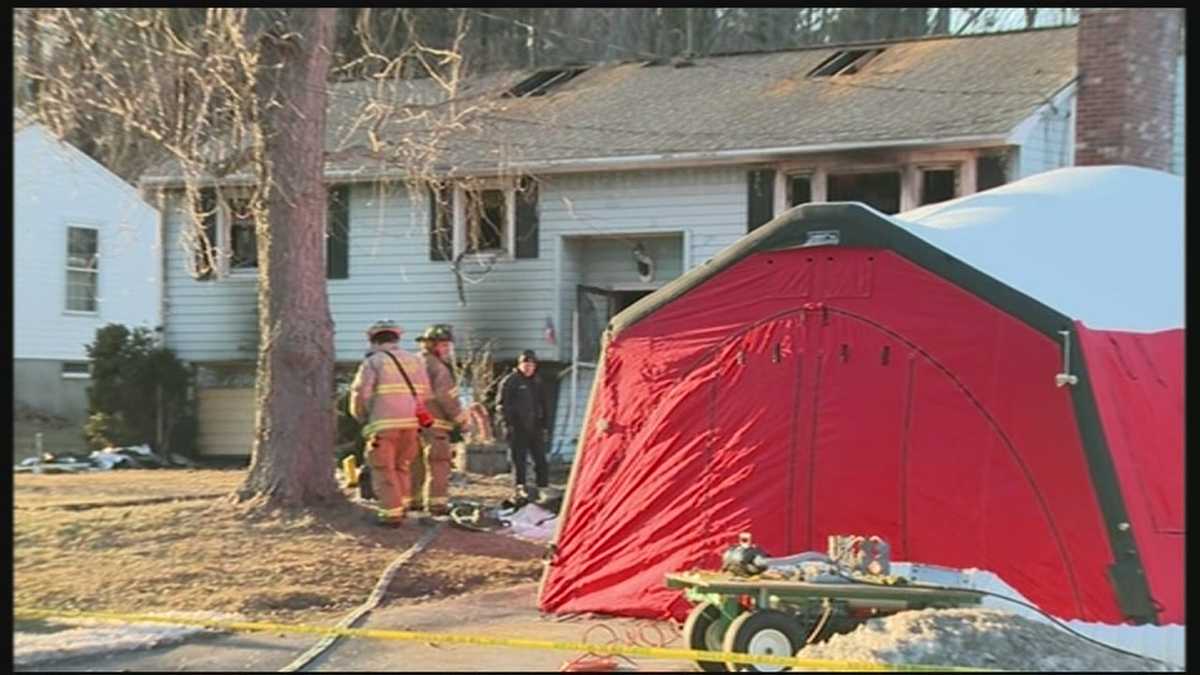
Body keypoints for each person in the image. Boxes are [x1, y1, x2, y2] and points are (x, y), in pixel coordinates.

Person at [349, 319, 434, 527]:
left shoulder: (373, 361)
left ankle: (390, 515)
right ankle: (403, 507)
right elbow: (426, 393)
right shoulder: (415, 361)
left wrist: (360, 415)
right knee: (402, 467)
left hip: (383, 426)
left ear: (374, 341)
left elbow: (361, 393)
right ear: (396, 339)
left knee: (383, 469)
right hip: (411, 425)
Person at [410, 324, 469, 516]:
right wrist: (461, 419)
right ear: (432, 345)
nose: (447, 350)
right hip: (434, 424)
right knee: (439, 462)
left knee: (415, 461)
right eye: (443, 345)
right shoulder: (439, 368)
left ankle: (413, 501)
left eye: (447, 345)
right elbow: (447, 397)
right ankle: (437, 505)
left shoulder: (412, 362)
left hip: (411, 422)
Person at [496, 349, 549, 495]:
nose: (528, 367)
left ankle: (543, 489)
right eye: (525, 364)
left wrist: (544, 426)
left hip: (535, 427)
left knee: (541, 460)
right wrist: (508, 425)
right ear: (519, 365)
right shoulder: (510, 381)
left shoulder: (538, 381)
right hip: (517, 428)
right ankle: (520, 490)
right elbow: (501, 406)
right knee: (519, 462)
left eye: (531, 364)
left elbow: (544, 405)